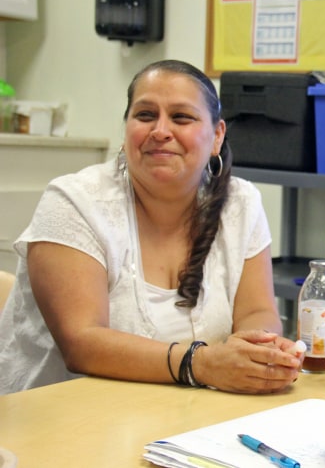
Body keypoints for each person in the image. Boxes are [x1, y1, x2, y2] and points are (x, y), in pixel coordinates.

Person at [0, 60, 303, 395]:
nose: (160, 131)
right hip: (58, 421)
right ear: (127, 128)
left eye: (181, 117)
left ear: (217, 136)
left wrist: (256, 354)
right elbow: (82, 342)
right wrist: (202, 364)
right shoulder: (73, 203)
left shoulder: (241, 202)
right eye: (145, 115)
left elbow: (258, 311)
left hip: (183, 420)